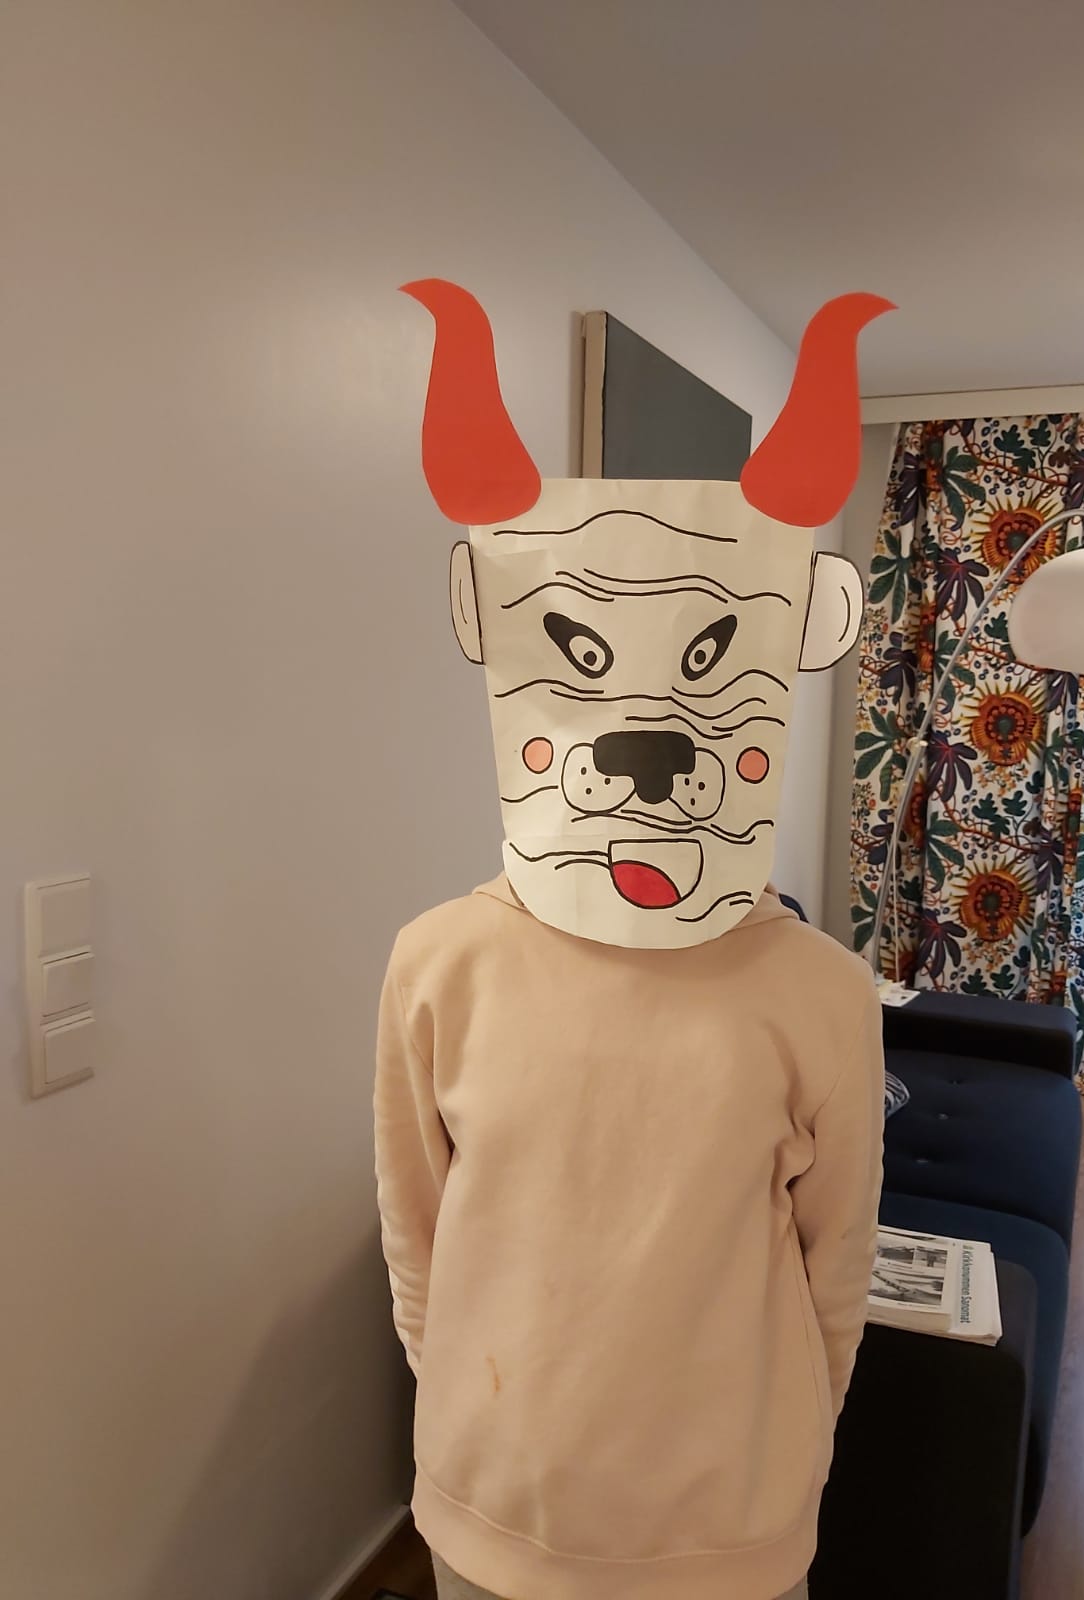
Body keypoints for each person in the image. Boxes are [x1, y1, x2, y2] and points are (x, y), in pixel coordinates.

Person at [375, 280, 889, 1600]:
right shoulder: (440, 963)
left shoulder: (821, 993)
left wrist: (782, 1463)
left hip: (733, 1535)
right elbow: (418, 1236)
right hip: (490, 1515)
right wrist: (474, 1431)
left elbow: (835, 1267)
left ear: (811, 629)